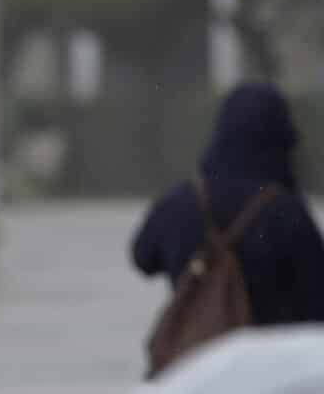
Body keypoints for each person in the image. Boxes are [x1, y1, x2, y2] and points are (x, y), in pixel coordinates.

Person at [132, 81, 324, 326]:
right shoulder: (285, 211)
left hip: (198, 358)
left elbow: (144, 258)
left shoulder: (181, 200)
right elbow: (317, 297)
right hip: (271, 357)